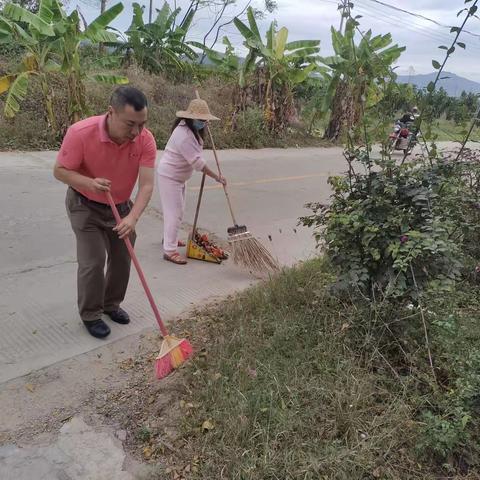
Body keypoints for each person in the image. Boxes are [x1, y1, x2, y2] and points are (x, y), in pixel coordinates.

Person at [53, 86, 157, 339]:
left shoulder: (145, 140)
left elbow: (146, 184)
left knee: (124, 254)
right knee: (94, 260)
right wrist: (89, 183)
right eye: (130, 124)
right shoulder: (80, 133)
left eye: (142, 124)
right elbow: (60, 171)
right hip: (84, 204)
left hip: (120, 208)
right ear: (111, 112)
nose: (136, 132)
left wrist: (132, 218)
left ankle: (111, 305)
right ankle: (90, 314)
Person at [156, 98, 226, 265]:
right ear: (191, 119)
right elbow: (197, 163)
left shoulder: (189, 128)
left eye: (205, 121)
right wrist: (216, 176)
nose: (204, 124)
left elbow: (196, 154)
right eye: (201, 121)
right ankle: (170, 250)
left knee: (174, 211)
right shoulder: (184, 135)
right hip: (170, 177)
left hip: (179, 177)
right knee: (175, 212)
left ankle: (169, 239)